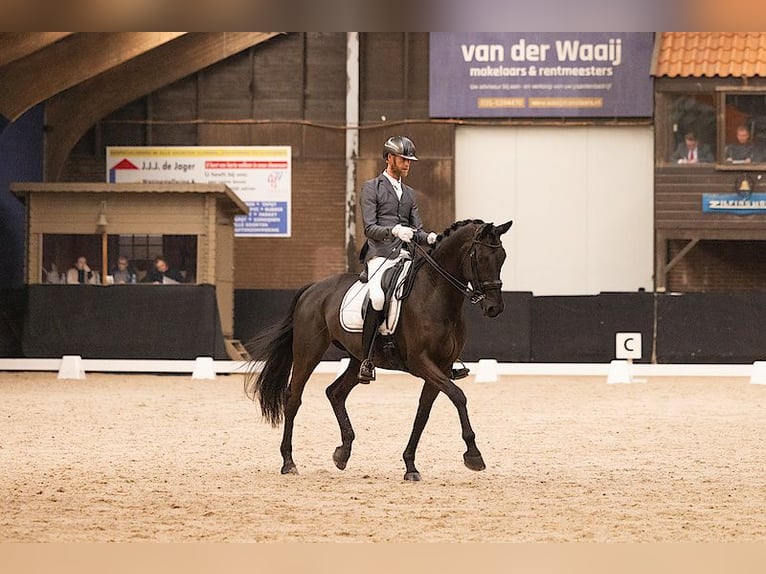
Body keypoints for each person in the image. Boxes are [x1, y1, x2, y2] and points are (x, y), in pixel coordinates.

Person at [357, 135, 438, 382]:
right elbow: (369, 228)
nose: (407, 164)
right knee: (379, 296)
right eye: (404, 159)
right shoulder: (372, 187)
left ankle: (441, 355)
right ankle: (366, 359)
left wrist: (432, 238)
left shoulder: (410, 194)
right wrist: (392, 230)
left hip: (406, 255)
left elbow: (417, 229)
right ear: (389, 158)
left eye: (409, 161)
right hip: (380, 254)